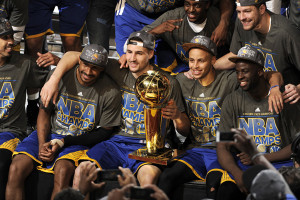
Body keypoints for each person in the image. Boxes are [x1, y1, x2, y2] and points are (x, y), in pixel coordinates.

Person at [39, 30, 190, 187]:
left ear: (150, 54)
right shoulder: (119, 70)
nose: (132, 58)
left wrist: (177, 116)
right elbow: (74, 55)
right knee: (82, 171)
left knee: (148, 178)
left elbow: (185, 130)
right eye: (129, 52)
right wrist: (53, 80)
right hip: (116, 142)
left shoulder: (168, 82)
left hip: (151, 146)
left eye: (139, 53)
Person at [158, 36, 283, 199]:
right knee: (166, 178)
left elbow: (269, 74)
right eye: (191, 61)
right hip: (195, 149)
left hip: (221, 150)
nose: (195, 66)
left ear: (213, 61)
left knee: (214, 186)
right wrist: (176, 116)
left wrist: (274, 88)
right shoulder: (181, 81)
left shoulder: (231, 80)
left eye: (201, 61)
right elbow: (182, 128)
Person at [5, 44, 122, 200]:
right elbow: (44, 113)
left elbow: (105, 131)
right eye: (85, 64)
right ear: (79, 61)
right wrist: (41, 144)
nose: (88, 71)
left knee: (62, 172)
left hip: (77, 139)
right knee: (15, 168)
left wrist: (63, 142)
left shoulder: (111, 92)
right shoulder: (58, 77)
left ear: (102, 69)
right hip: (50, 132)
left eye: (95, 68)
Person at [217, 45, 300, 196]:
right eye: (237, 72)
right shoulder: (232, 101)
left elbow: (297, 144)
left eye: (245, 71)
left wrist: (259, 157)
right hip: (245, 167)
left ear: (260, 72)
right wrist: (237, 175)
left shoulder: (283, 99)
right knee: (225, 192)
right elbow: (222, 145)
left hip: (280, 165)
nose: (240, 76)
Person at [0, 18, 49, 200]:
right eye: (4, 37)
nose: (11, 42)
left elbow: (63, 79)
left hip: (9, 132)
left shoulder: (24, 64)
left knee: (1, 164)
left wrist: (58, 62)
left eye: (11, 37)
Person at [214, 0, 300, 104]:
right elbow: (236, 55)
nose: (242, 17)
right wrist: (208, 66)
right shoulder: (243, 24)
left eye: (247, 11)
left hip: (284, 98)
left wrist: (298, 89)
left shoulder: (286, 32)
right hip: (257, 95)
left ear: (262, 9)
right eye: (239, 12)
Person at [116, 0, 234, 73]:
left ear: (207, 4)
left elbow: (241, 49)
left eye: (197, 5)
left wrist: (224, 23)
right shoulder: (174, 17)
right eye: (188, 4)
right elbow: (134, 41)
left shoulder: (219, 21)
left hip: (217, 71)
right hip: (187, 73)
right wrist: (156, 31)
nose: (191, 10)